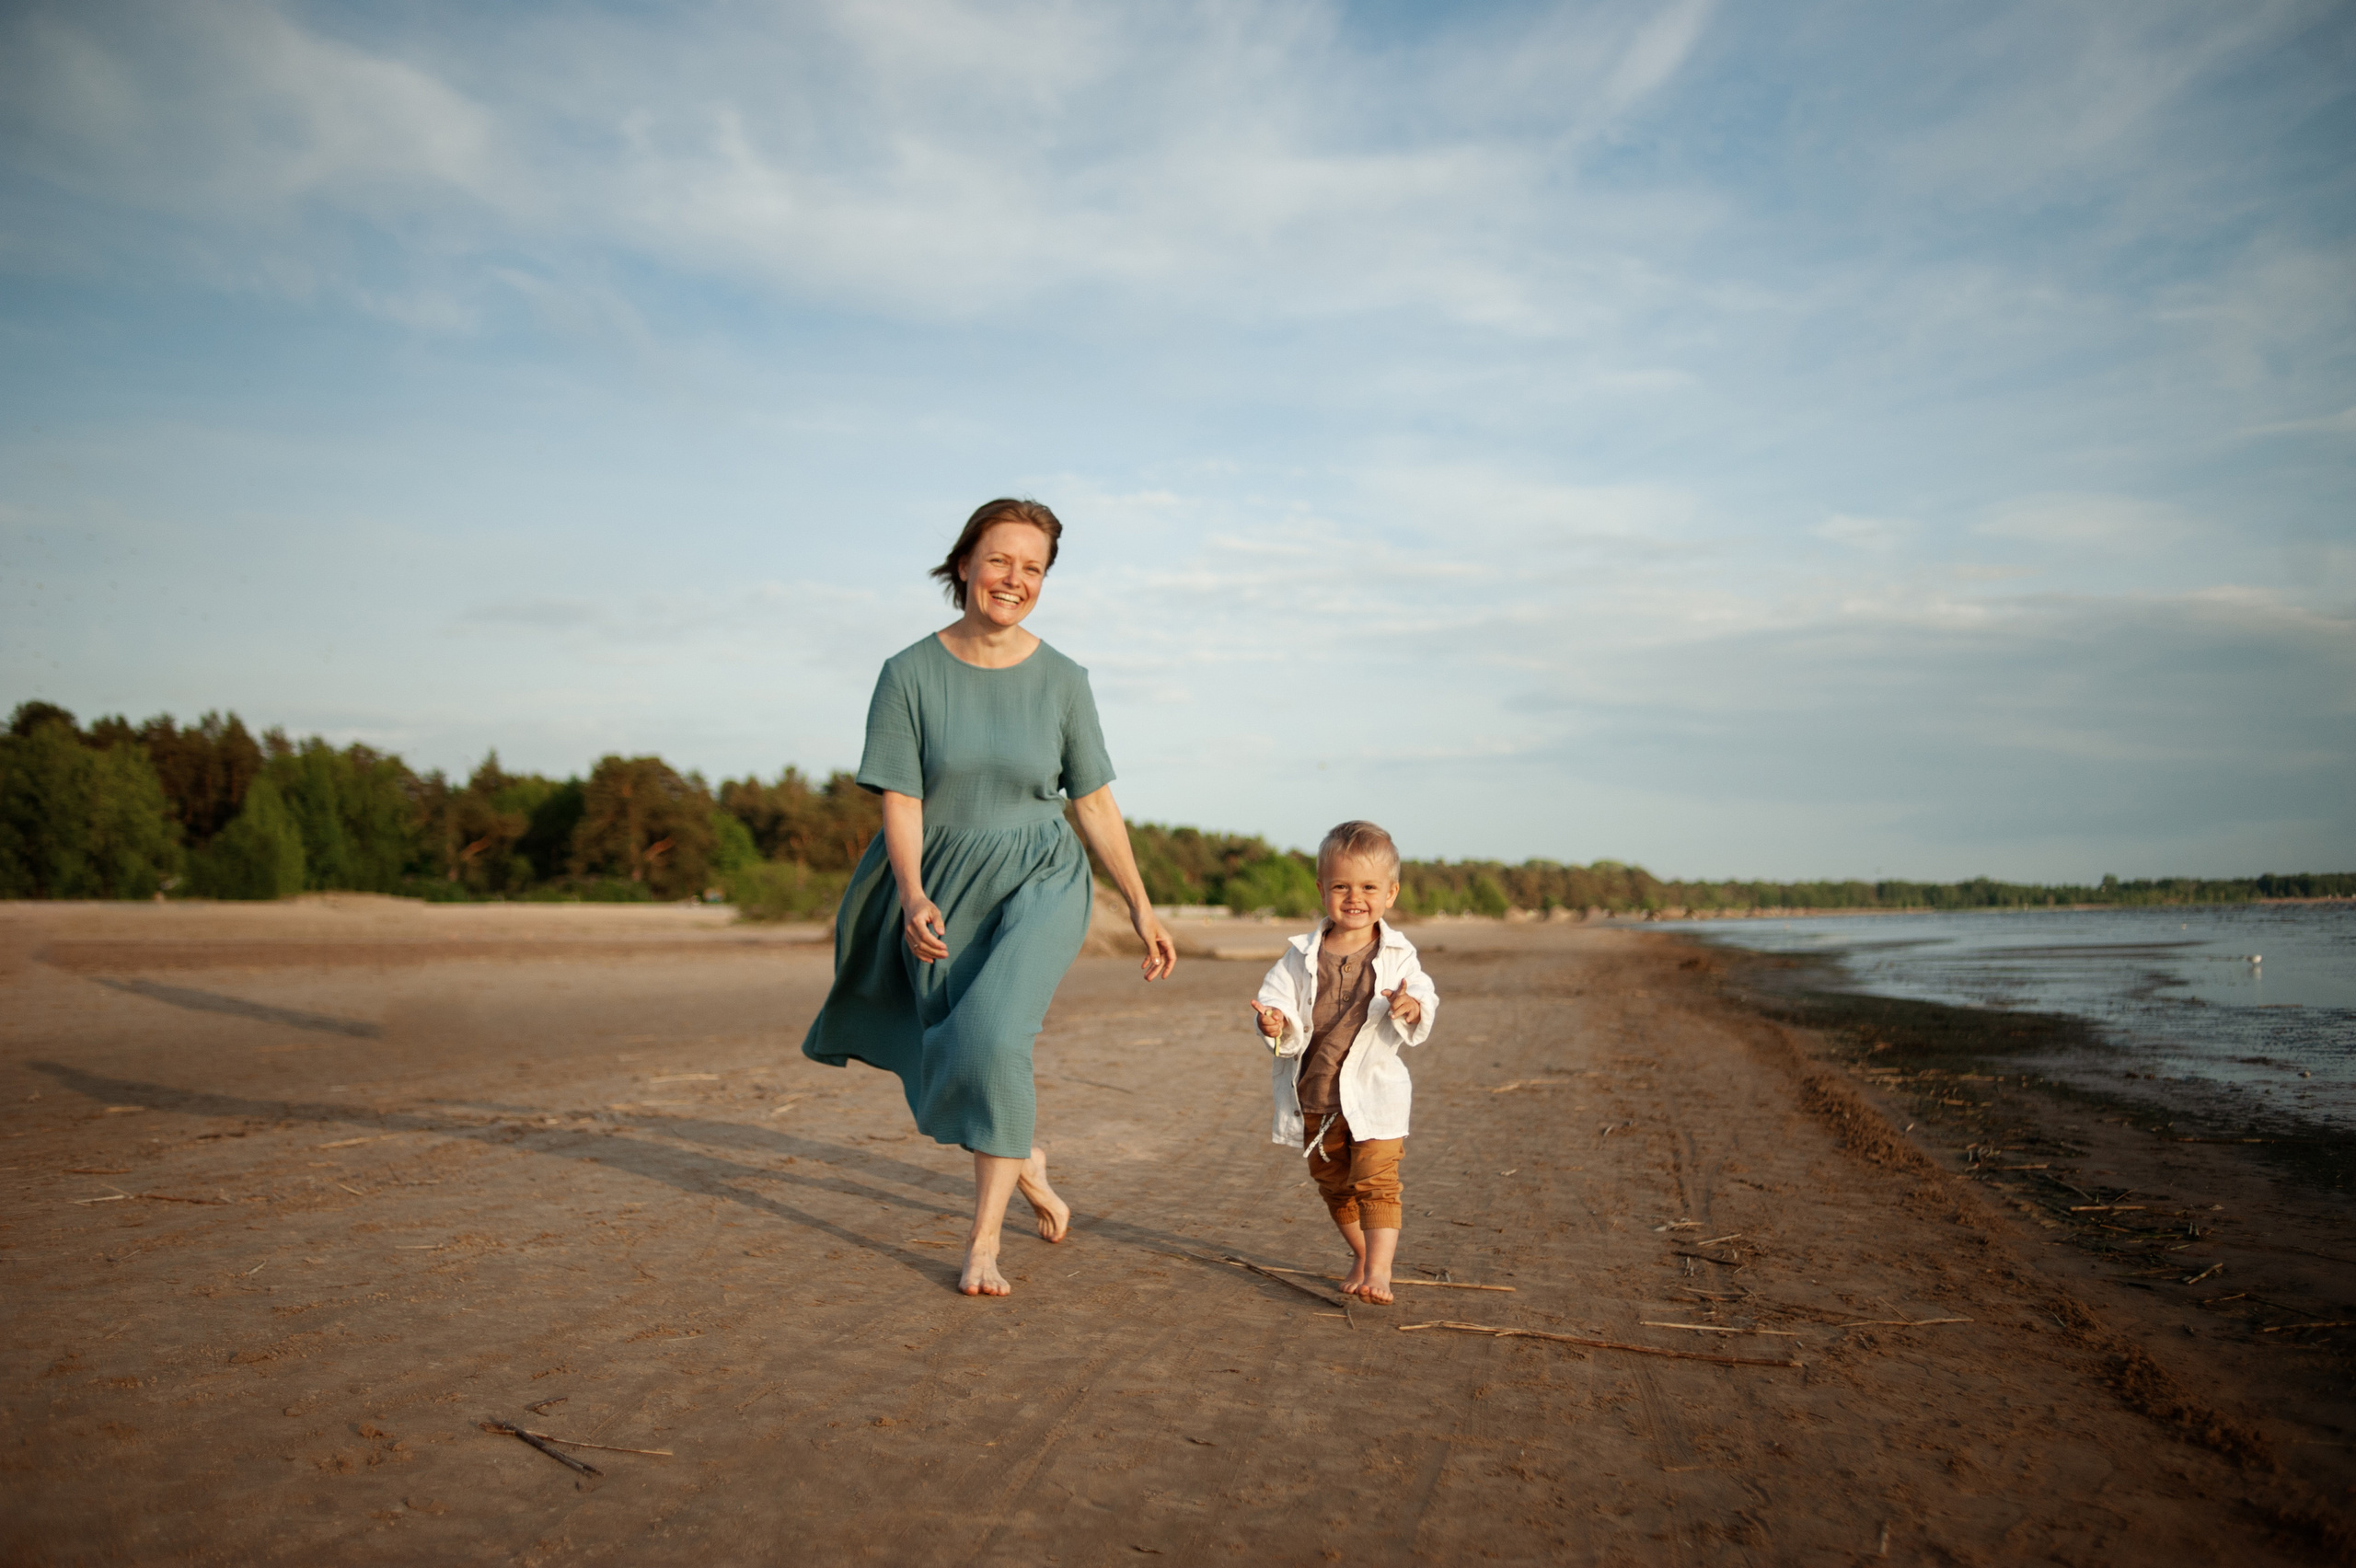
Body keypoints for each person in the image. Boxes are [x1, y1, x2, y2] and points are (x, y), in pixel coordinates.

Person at [802, 498, 1178, 1297]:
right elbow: (901, 798)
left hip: (1043, 877)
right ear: (965, 562)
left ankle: (981, 1245)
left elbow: (1094, 803)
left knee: (998, 1036)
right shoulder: (907, 674)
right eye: (1001, 560)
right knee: (963, 1043)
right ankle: (1025, 1157)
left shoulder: (1064, 680)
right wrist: (911, 894)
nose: (1015, 579)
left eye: (1033, 568)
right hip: (944, 878)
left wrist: (1141, 904)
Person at [1245, 820, 1438, 1305]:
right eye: (1342, 886)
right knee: (1334, 1185)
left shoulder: (1397, 955)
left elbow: (1423, 993)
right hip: (1316, 1093)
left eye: (1369, 887)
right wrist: (1273, 1024)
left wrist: (1412, 1006)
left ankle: (1379, 1270)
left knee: (1377, 1182)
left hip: (1374, 1094)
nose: (1356, 897)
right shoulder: (1298, 956)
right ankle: (1361, 1253)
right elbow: (1279, 1004)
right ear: (1322, 890)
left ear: (1390, 893)